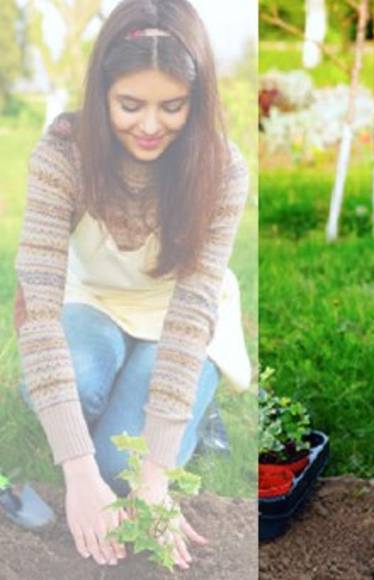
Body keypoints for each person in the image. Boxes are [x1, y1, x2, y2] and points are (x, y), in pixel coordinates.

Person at [13, 0, 250, 569]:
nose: (149, 126)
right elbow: (40, 312)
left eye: (172, 106)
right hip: (92, 300)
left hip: (178, 317)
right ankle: (126, 380)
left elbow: (192, 316)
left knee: (124, 465)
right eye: (129, 105)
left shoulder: (223, 170)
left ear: (197, 101)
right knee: (67, 391)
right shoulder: (63, 153)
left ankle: (195, 401)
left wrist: (151, 482)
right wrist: (77, 473)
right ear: (102, 95)